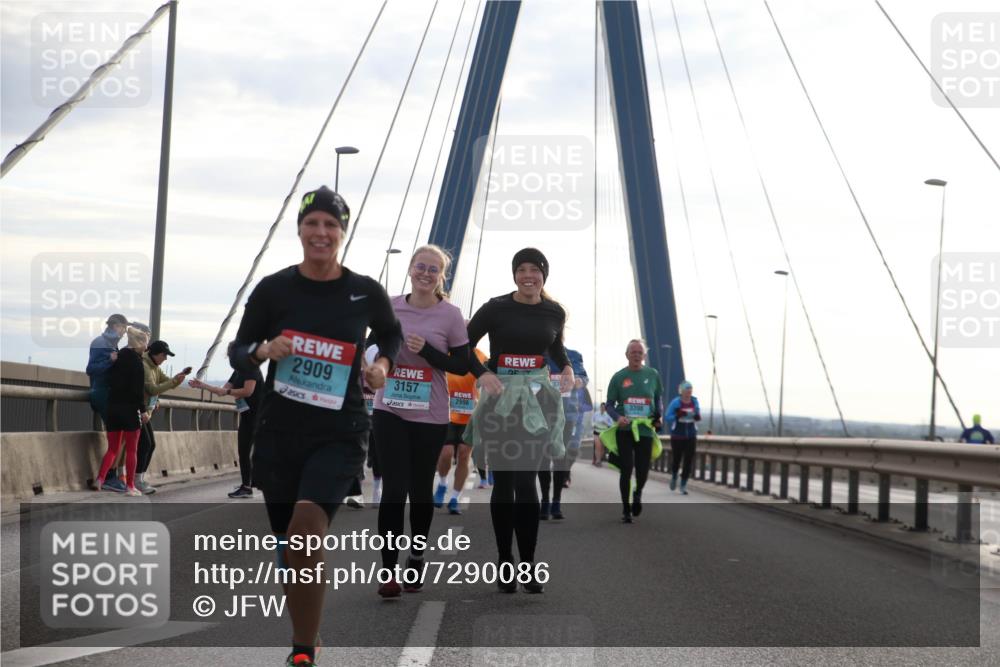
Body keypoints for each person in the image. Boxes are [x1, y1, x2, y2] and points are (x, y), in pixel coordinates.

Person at [230, 185, 402, 667]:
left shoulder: (364, 290)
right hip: (280, 433)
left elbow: (390, 331)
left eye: (331, 225)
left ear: (342, 233)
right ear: (301, 230)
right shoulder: (274, 289)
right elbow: (238, 349)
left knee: (306, 530)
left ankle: (302, 650)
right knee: (290, 545)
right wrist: (264, 351)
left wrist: (382, 364)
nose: (321, 232)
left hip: (340, 431)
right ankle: (309, 632)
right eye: (313, 223)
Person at [465, 247, 573, 594]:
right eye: (521, 269)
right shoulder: (496, 307)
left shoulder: (554, 311)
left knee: (528, 484)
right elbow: (462, 346)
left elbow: (555, 348)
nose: (528, 275)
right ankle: (504, 560)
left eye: (535, 270)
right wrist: (482, 374)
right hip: (500, 405)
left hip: (536, 405)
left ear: (544, 275)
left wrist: (567, 367)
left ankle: (527, 563)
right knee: (505, 484)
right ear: (514, 275)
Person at [372, 244, 469, 597]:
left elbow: (461, 364)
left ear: (441, 276)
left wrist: (426, 351)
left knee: (418, 490)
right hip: (389, 410)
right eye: (420, 267)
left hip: (430, 414)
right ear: (410, 269)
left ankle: (416, 557)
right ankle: (388, 571)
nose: (425, 274)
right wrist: (376, 363)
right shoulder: (390, 307)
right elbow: (371, 346)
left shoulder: (451, 316)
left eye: (433, 269)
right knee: (394, 490)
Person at [189, 344, 262, 498]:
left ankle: (250, 484)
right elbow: (222, 390)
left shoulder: (251, 369)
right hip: (247, 415)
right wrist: (202, 385)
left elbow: (248, 391)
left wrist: (228, 391)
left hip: (259, 416)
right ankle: (247, 484)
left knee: (252, 450)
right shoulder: (238, 371)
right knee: (244, 450)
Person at [605, 339, 663, 523]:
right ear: (627, 355)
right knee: (626, 467)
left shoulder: (653, 374)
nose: (636, 355)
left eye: (640, 352)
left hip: (645, 429)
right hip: (625, 429)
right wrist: (617, 417)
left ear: (644, 355)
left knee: (643, 469)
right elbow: (609, 405)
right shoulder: (618, 377)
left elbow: (658, 398)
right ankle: (626, 509)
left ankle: (637, 494)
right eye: (633, 352)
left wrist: (659, 416)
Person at [94, 325, 149, 496]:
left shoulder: (117, 358)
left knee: (112, 448)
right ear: (139, 343)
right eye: (146, 343)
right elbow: (137, 391)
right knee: (132, 449)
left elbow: (109, 379)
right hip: (130, 411)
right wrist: (144, 410)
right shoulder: (137, 363)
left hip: (112, 408)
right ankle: (130, 486)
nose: (147, 346)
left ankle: (100, 479)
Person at [435, 346, 489, 515]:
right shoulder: (444, 353)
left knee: (464, 455)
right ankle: (443, 484)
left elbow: (487, 382)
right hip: (447, 413)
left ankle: (455, 498)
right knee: (446, 453)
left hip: (470, 415)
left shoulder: (481, 356)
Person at [538, 348, 588, 520]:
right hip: (543, 414)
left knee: (561, 457)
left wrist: (578, 381)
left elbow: (583, 377)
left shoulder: (574, 355)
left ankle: (556, 502)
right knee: (543, 458)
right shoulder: (538, 354)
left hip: (567, 415)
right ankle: (545, 501)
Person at [138, 340, 188, 494]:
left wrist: (177, 379)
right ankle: (135, 480)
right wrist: (173, 382)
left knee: (150, 444)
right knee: (145, 444)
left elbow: (166, 382)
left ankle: (139, 479)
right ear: (155, 354)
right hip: (139, 410)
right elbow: (152, 389)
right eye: (164, 355)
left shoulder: (155, 367)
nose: (165, 359)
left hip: (146, 411)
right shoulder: (145, 366)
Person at [86, 313, 129, 491]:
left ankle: (114, 476)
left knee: (122, 437)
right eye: (124, 328)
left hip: (108, 395)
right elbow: (91, 369)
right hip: (103, 395)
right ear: (116, 326)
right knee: (117, 439)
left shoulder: (110, 343)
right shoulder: (101, 343)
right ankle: (107, 478)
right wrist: (111, 361)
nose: (125, 332)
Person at [665, 381, 701, 494]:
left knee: (689, 461)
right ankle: (674, 475)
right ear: (681, 391)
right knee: (677, 459)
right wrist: (677, 415)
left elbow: (697, 414)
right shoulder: (675, 402)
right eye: (686, 391)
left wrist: (696, 416)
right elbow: (667, 417)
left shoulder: (694, 402)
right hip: (677, 436)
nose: (688, 394)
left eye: (690, 391)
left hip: (691, 435)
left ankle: (683, 485)